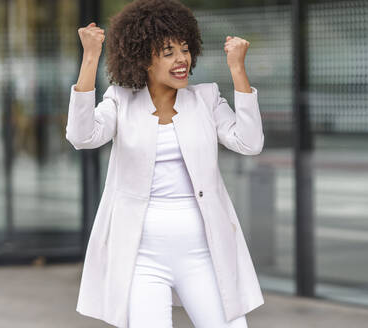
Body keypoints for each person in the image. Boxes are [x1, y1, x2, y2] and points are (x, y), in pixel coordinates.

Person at [66, 0, 265, 327]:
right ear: (144, 58)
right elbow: (82, 135)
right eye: (168, 51)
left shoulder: (206, 98)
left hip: (204, 254)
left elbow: (249, 142)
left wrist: (238, 70)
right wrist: (90, 58)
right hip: (142, 257)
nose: (181, 59)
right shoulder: (120, 101)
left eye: (184, 49)